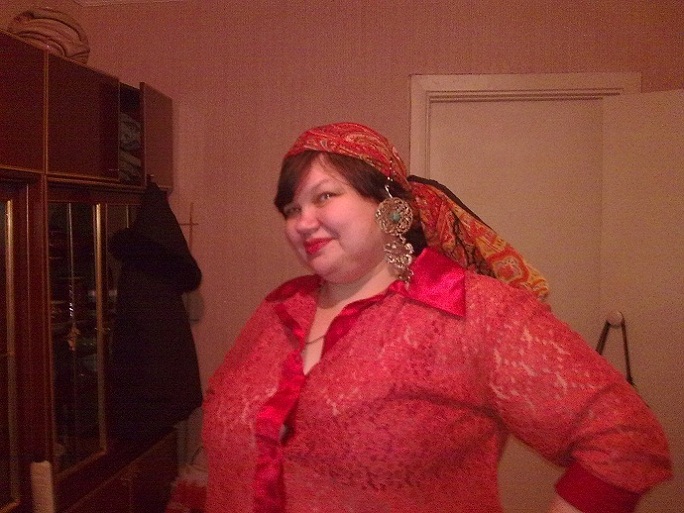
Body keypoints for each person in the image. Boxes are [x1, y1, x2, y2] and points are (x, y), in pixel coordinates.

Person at [202, 122, 671, 513]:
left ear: (389, 206)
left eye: (324, 196)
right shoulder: (277, 309)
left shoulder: (474, 311)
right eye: (291, 208)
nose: (302, 222)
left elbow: (625, 440)